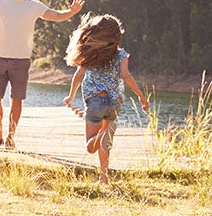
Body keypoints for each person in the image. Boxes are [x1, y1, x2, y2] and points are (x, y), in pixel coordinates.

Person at [0, 0, 84, 149]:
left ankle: (10, 138)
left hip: (21, 61)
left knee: (17, 99)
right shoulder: (0, 1)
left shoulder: (34, 6)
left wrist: (71, 12)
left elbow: (56, 15)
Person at [62, 13, 149, 184]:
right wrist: (141, 97)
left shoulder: (90, 54)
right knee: (105, 144)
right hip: (114, 103)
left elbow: (78, 76)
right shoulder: (121, 55)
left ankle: (102, 133)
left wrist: (71, 95)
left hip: (95, 102)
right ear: (116, 37)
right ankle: (104, 177)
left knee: (90, 146)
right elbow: (126, 75)